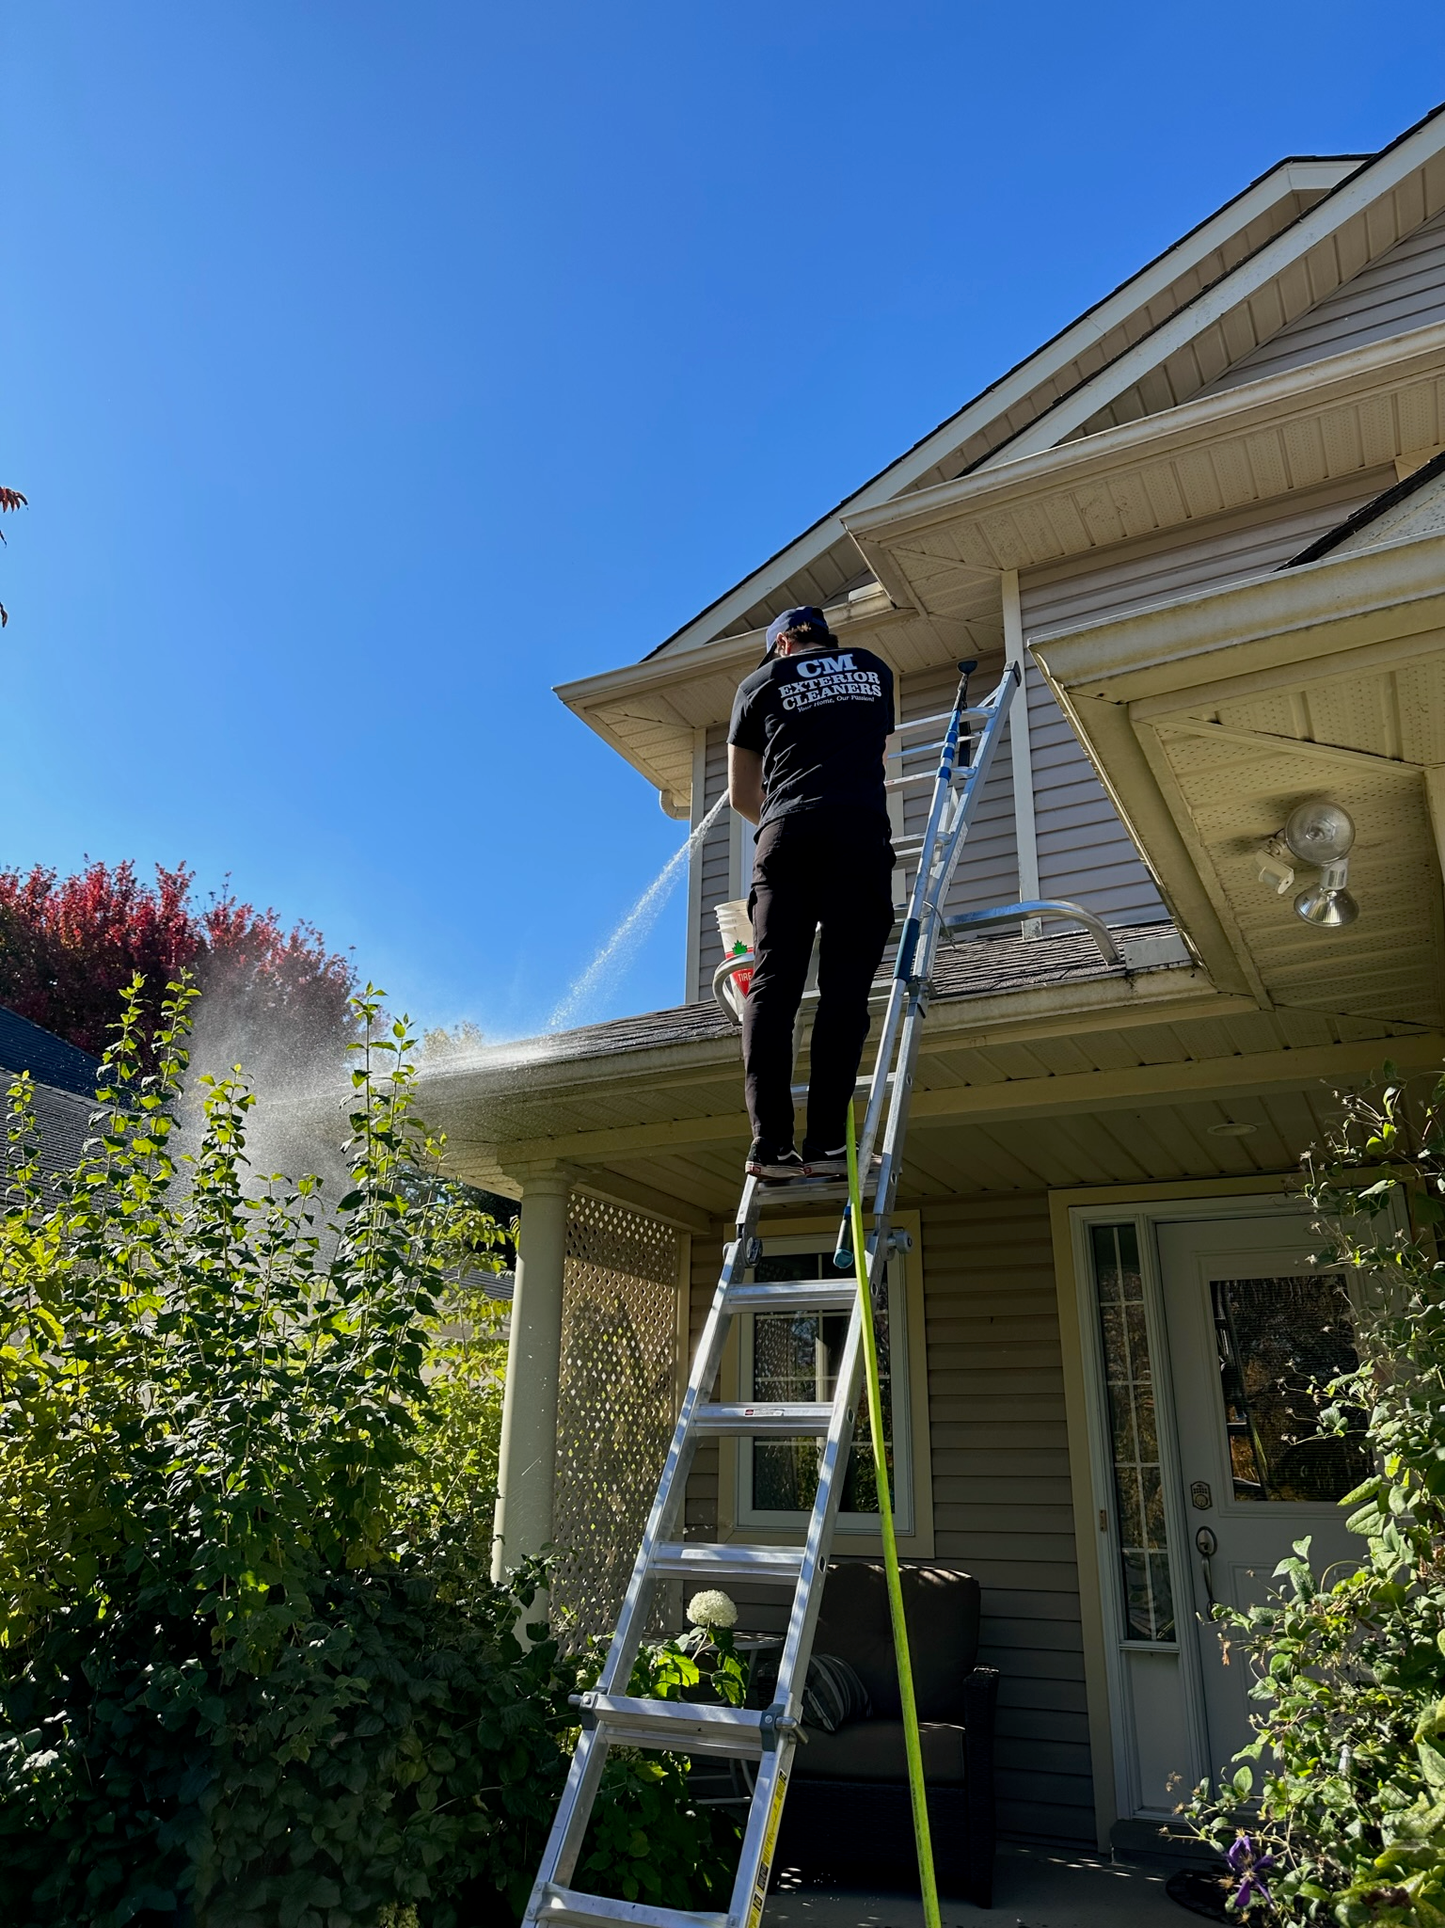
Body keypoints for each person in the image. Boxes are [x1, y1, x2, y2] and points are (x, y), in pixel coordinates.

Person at [727, 605, 896, 1180]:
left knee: (772, 987)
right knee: (845, 990)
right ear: (827, 641)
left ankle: (770, 1145)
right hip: (858, 833)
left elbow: (739, 795)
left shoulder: (758, 684)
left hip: (786, 836)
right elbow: (875, 760)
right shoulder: (873, 669)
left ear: (780, 646)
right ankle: (827, 1144)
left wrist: (783, 816)